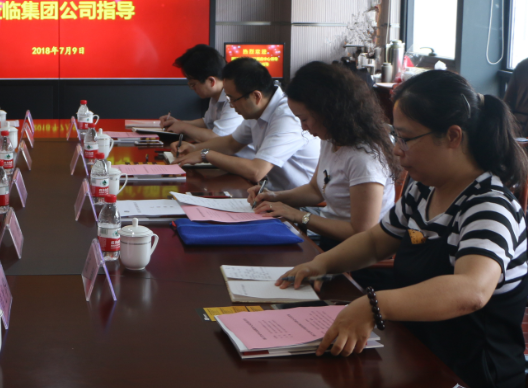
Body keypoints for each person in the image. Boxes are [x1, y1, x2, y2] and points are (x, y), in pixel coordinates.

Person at [277, 70, 528, 388]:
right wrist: (319, 265)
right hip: (418, 363)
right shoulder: (423, 191)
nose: (397, 150)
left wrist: (373, 305)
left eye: (406, 138)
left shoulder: (489, 206)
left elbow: (471, 290)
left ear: (452, 136)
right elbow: (376, 240)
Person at [247, 62, 397, 250]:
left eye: (304, 119)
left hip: (356, 252)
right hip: (331, 240)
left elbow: (362, 231)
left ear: (328, 111)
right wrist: (273, 197)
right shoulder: (332, 139)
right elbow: (315, 190)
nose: (303, 127)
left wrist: (298, 215)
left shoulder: (364, 157)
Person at [174, 57, 319, 191]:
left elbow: (256, 171)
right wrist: (194, 148)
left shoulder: (287, 117)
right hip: (274, 193)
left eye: (233, 99)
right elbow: (231, 143)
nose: (231, 105)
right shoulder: (257, 111)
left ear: (256, 96)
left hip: (302, 202)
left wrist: (205, 154)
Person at [159, 44, 242, 140]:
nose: (193, 88)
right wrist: (178, 123)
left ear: (211, 81)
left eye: (193, 84)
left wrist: (184, 127)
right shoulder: (216, 95)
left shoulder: (234, 98)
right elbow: (207, 123)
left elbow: (218, 138)